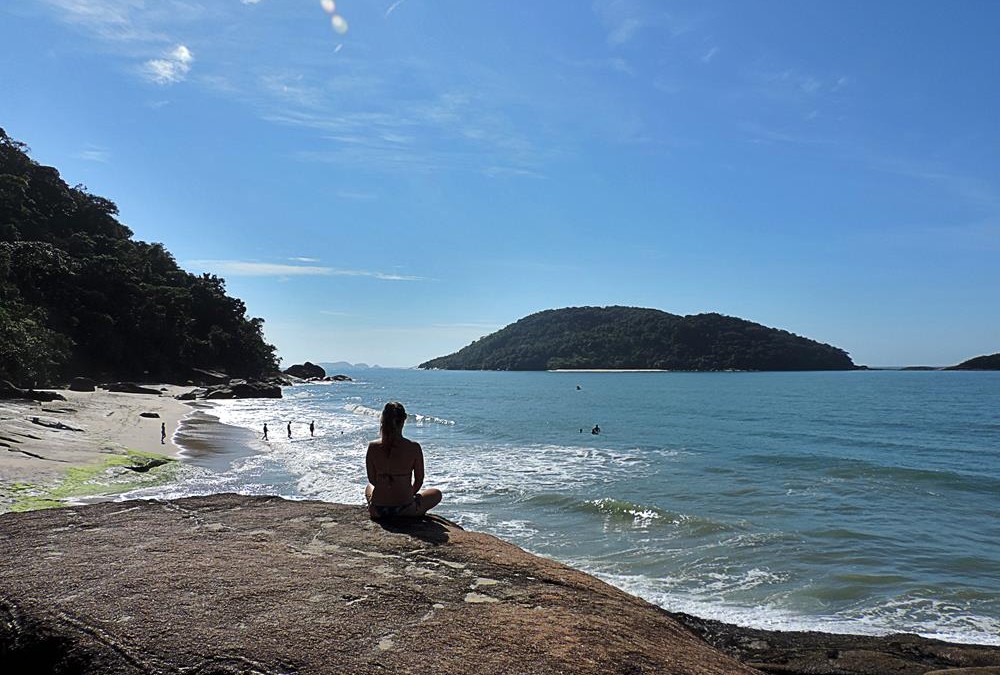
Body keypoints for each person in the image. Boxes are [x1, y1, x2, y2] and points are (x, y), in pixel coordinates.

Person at [365, 401, 442, 520]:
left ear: (383, 420)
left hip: (378, 510)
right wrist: (408, 494)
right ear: (404, 420)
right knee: (436, 494)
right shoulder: (414, 447)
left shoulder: (372, 447)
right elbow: (419, 480)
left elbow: (372, 479)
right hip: (405, 509)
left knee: (369, 486)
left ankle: (376, 503)